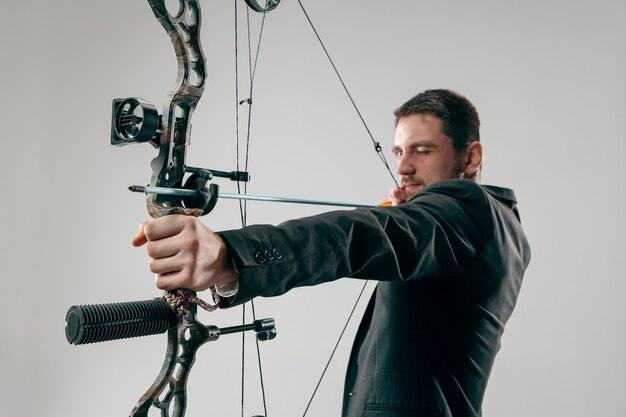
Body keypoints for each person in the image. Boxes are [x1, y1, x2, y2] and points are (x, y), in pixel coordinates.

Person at [132, 89, 530, 417]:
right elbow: (402, 238)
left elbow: (369, 236)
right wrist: (404, 216)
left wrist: (228, 254)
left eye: (422, 151)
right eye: (398, 152)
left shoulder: (468, 206)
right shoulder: (496, 228)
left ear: (471, 157)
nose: (404, 168)